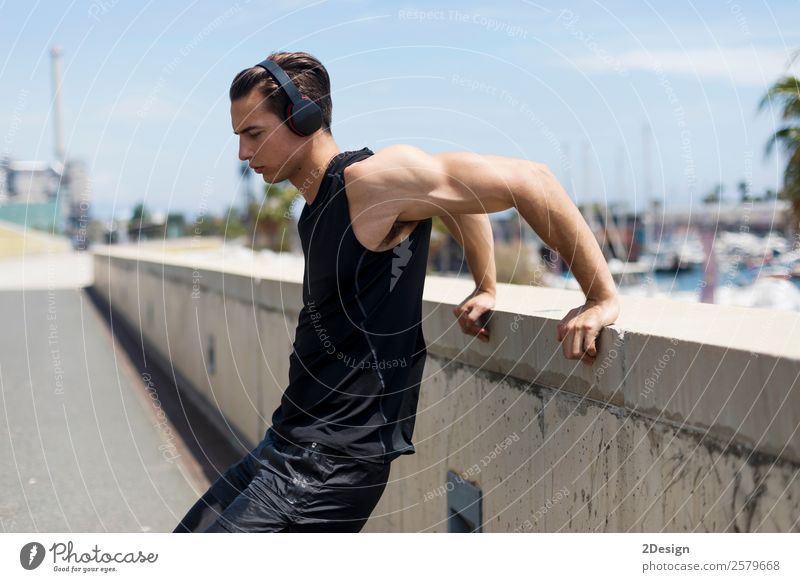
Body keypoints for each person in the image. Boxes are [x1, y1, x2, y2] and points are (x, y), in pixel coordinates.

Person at [173, 51, 619, 533]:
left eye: (254, 134)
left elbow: (533, 181)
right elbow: (454, 200)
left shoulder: (366, 182)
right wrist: (484, 284)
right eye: (239, 136)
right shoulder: (318, 208)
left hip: (329, 463)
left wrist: (599, 299)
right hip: (288, 443)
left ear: (303, 116)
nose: (243, 153)